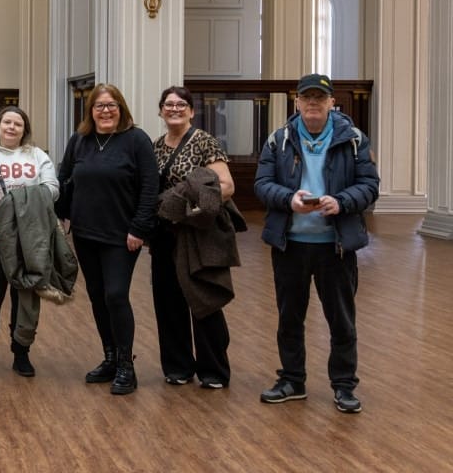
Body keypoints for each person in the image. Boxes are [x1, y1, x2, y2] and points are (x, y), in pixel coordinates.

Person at [255, 73, 379, 414]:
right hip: (290, 244)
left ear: (330, 102)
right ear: (296, 102)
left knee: (341, 319)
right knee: (289, 318)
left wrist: (341, 201)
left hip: (335, 245)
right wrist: (287, 198)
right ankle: (292, 380)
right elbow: (262, 183)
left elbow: (369, 185)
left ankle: (343, 386)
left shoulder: (352, 139)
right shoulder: (278, 139)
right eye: (306, 97)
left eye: (319, 98)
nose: (312, 103)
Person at [55, 84, 158, 395]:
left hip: (122, 236)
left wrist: (139, 229)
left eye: (111, 105)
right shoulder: (80, 140)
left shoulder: (136, 140)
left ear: (121, 108)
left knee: (116, 295)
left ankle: (127, 365)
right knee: (98, 297)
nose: (105, 111)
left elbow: (150, 188)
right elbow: (64, 179)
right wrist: (62, 213)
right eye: (99, 106)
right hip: (86, 233)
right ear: (91, 111)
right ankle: (110, 358)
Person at [0, 105, 60, 378]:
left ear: (24, 130)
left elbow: (52, 189)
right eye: (7, 122)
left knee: (25, 296)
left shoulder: (37, 155)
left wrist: (18, 206)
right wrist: (9, 205)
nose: (11, 128)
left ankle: (21, 353)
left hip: (29, 237)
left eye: (18, 124)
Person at [151, 86, 237, 389]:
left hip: (196, 234)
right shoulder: (156, 145)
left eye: (180, 104)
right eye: (168, 104)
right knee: (168, 301)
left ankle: (214, 370)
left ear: (191, 110)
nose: (174, 109)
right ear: (161, 110)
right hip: (164, 234)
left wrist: (191, 206)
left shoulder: (204, 142)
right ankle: (178, 367)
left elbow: (226, 186)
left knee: (203, 299)